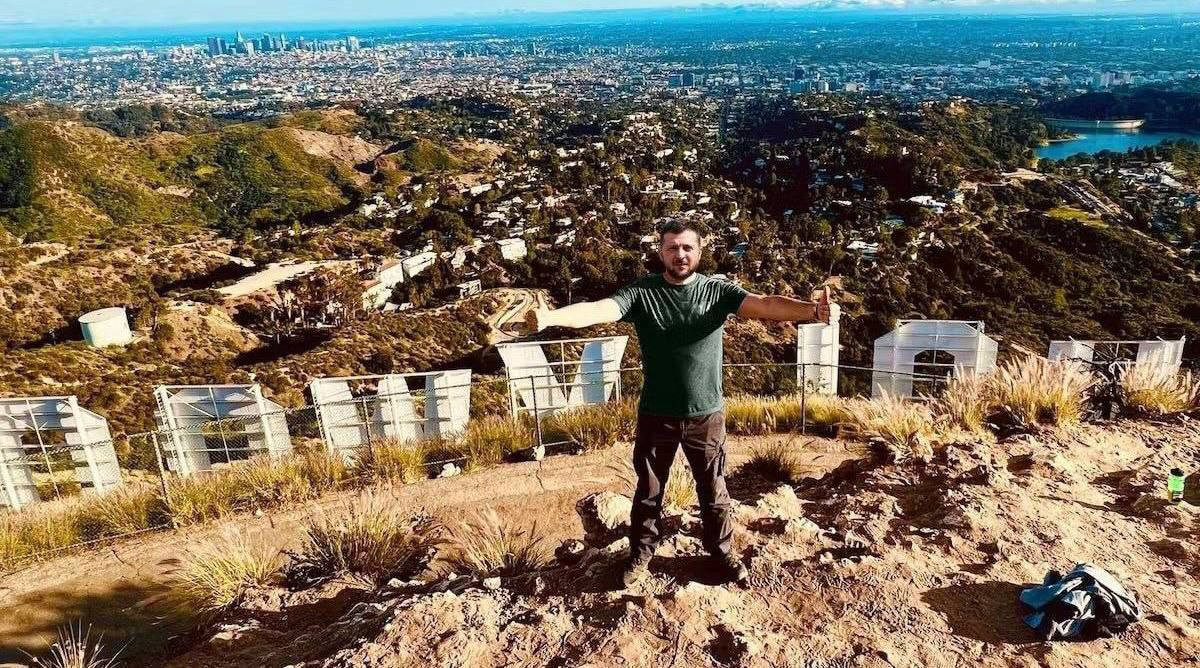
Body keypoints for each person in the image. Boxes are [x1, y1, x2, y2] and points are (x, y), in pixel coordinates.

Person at [525, 219, 833, 587]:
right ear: (661, 252)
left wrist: (811, 312)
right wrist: (549, 318)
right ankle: (641, 555)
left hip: (706, 414)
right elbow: (599, 309)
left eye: (687, 247)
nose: (680, 254)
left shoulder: (717, 291)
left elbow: (765, 304)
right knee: (649, 491)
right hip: (657, 414)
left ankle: (722, 553)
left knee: (714, 491)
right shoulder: (643, 293)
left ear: (699, 251)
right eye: (672, 247)